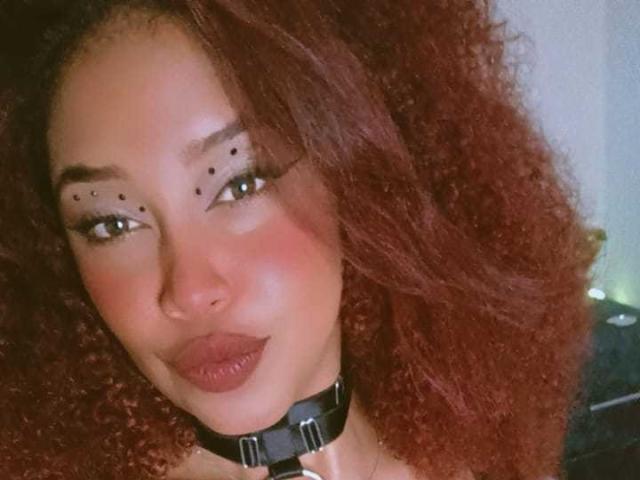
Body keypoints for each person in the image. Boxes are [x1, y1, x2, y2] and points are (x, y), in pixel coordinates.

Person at [0, 1, 599, 479]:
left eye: (241, 183)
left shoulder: (477, 457)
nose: (190, 291)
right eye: (110, 223)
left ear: (357, 181)